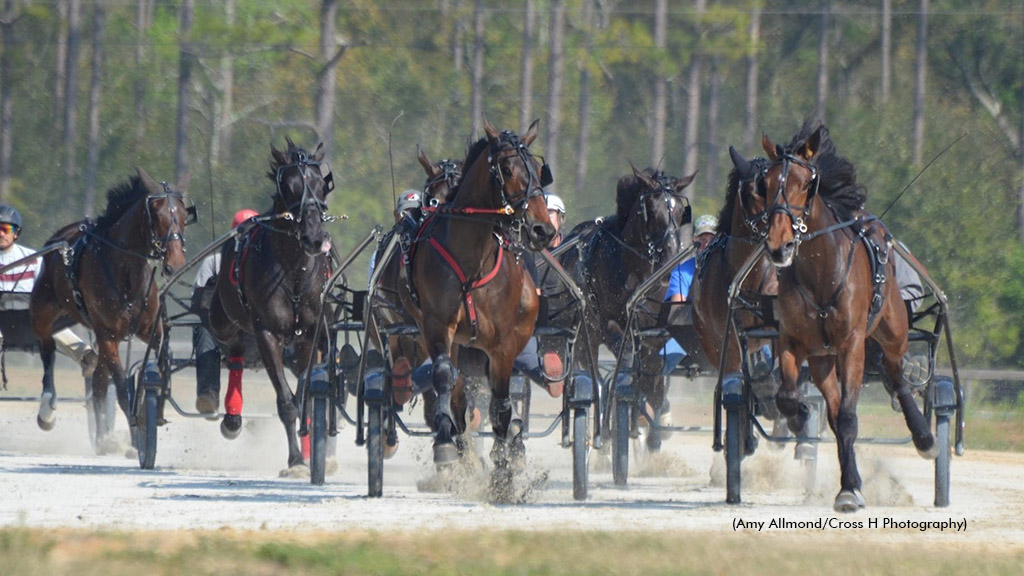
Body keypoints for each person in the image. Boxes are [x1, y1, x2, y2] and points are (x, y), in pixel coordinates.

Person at [0, 205, 97, 377]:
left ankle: (88, 359)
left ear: (16, 233)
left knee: (52, 323)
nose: (1, 233)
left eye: (6, 228)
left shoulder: (33, 258)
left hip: (32, 321)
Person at [192, 208, 259, 414]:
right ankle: (208, 395)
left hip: (260, 338)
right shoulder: (214, 262)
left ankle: (303, 396)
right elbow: (197, 303)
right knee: (203, 330)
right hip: (223, 338)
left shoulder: (264, 266)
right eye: (242, 232)